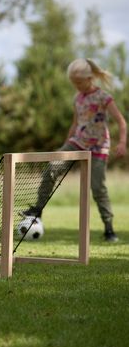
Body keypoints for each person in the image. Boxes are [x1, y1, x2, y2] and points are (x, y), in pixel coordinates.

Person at [23, 58, 127, 242]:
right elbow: (75, 123)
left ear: (89, 78)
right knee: (52, 169)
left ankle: (109, 229)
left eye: (79, 82)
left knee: (98, 188)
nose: (77, 86)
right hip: (77, 142)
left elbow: (121, 121)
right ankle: (38, 210)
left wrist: (122, 143)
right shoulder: (77, 98)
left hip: (98, 146)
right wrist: (64, 146)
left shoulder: (104, 97)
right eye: (74, 83)